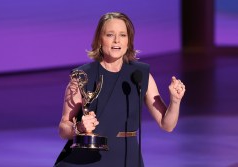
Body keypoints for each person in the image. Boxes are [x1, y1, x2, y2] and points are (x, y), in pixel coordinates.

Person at [54, 12, 185, 167]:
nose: (117, 40)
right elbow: (64, 127)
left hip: (125, 158)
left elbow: (167, 124)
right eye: (110, 35)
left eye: (123, 35)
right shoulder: (82, 76)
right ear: (99, 40)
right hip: (85, 159)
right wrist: (79, 128)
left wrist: (175, 101)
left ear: (129, 41)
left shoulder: (140, 75)